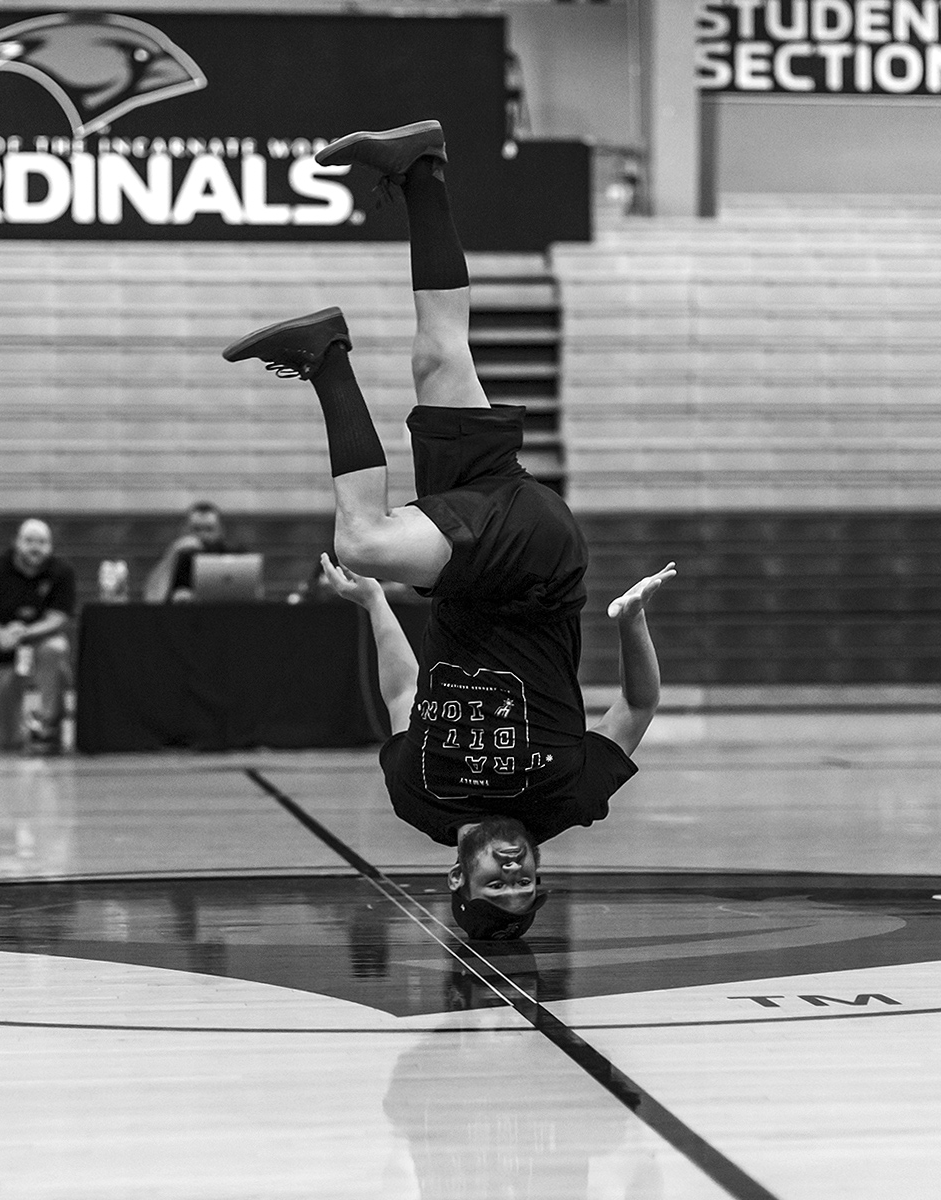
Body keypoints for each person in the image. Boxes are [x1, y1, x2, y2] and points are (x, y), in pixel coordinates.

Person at [224, 119, 676, 940]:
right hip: (532, 567)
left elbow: (405, 694)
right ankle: (324, 359)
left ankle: (421, 171)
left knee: (438, 359)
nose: (515, 869)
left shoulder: (419, 798)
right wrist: (633, 621)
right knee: (364, 540)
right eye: (525, 883)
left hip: (471, 561)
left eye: (498, 884)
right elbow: (638, 708)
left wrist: (374, 607)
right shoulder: (566, 800)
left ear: (456, 875)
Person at [0, 518, 76, 754]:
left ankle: (48, 727)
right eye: (29, 541)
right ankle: (22, 729)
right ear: (16, 542)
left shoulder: (61, 572)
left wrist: (24, 633)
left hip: (37, 645)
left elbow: (58, 618)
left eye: (42, 542)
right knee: (6, 743)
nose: (35, 547)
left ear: (51, 546)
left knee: (56, 647)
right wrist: (0, 635)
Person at [142, 500, 235, 603]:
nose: (203, 535)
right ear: (185, 530)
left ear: (221, 531)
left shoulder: (233, 555)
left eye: (209, 529)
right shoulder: (180, 555)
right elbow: (152, 598)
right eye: (196, 529)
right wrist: (173, 553)